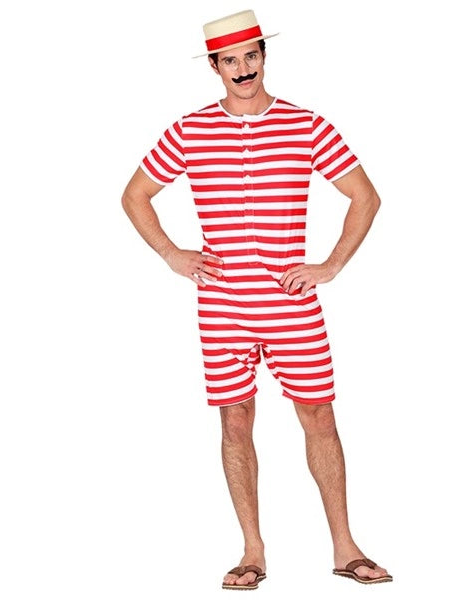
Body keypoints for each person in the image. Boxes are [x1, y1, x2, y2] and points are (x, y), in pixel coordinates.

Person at [121, 9, 392, 590]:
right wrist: (172, 254)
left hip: (291, 302)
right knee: (235, 419)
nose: (243, 69)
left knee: (319, 415)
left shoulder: (307, 125)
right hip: (222, 305)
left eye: (251, 56)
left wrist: (330, 265)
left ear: (264, 57)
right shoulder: (189, 131)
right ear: (215, 66)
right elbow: (135, 195)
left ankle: (345, 547)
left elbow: (365, 196)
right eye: (231, 60)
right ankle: (252, 551)